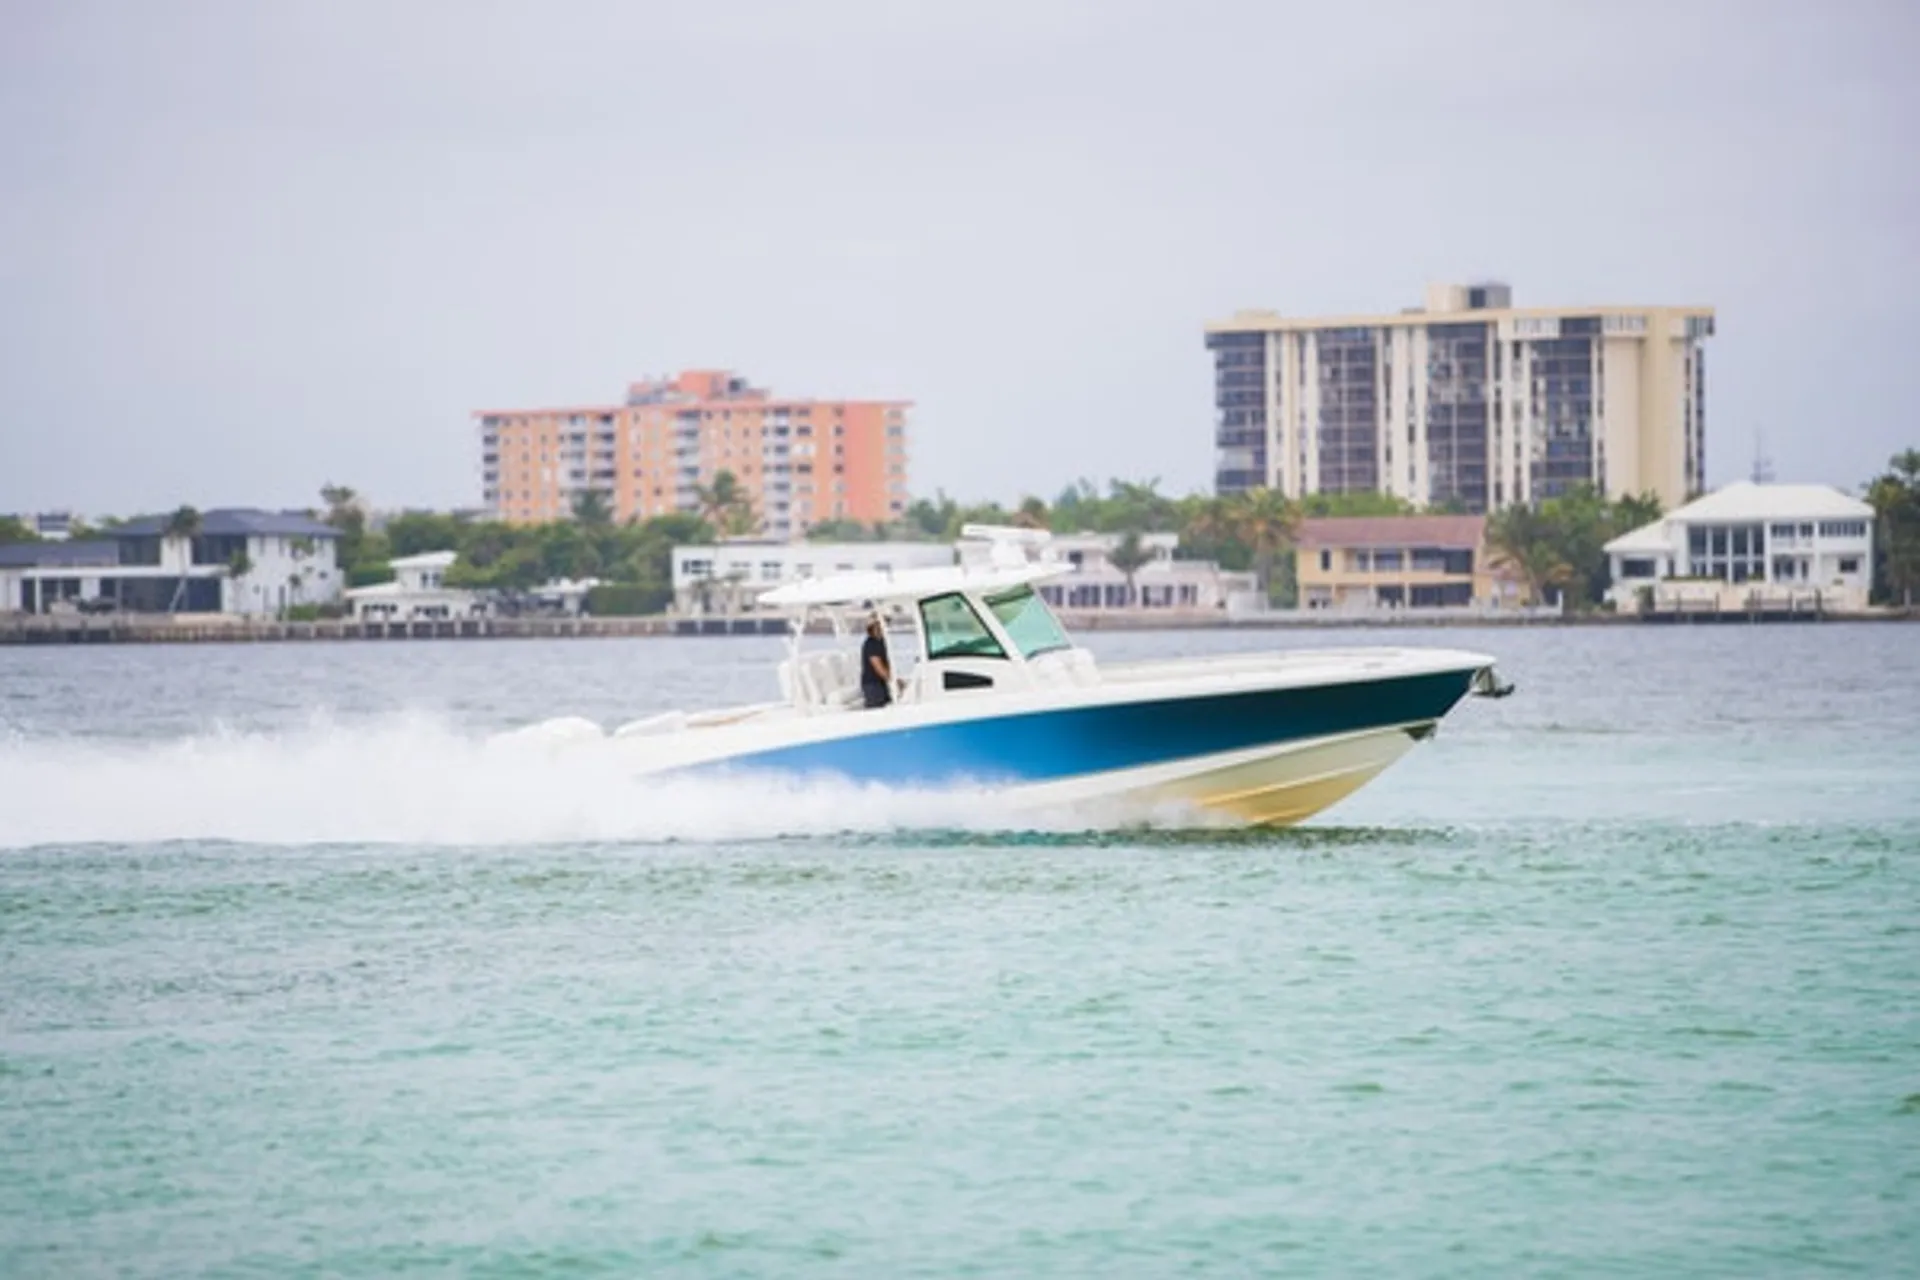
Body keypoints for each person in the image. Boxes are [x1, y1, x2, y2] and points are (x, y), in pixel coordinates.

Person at [860, 615, 893, 708]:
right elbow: (878, 667)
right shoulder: (871, 644)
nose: (886, 626)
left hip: (881, 683)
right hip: (872, 685)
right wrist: (893, 680)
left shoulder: (881, 641)